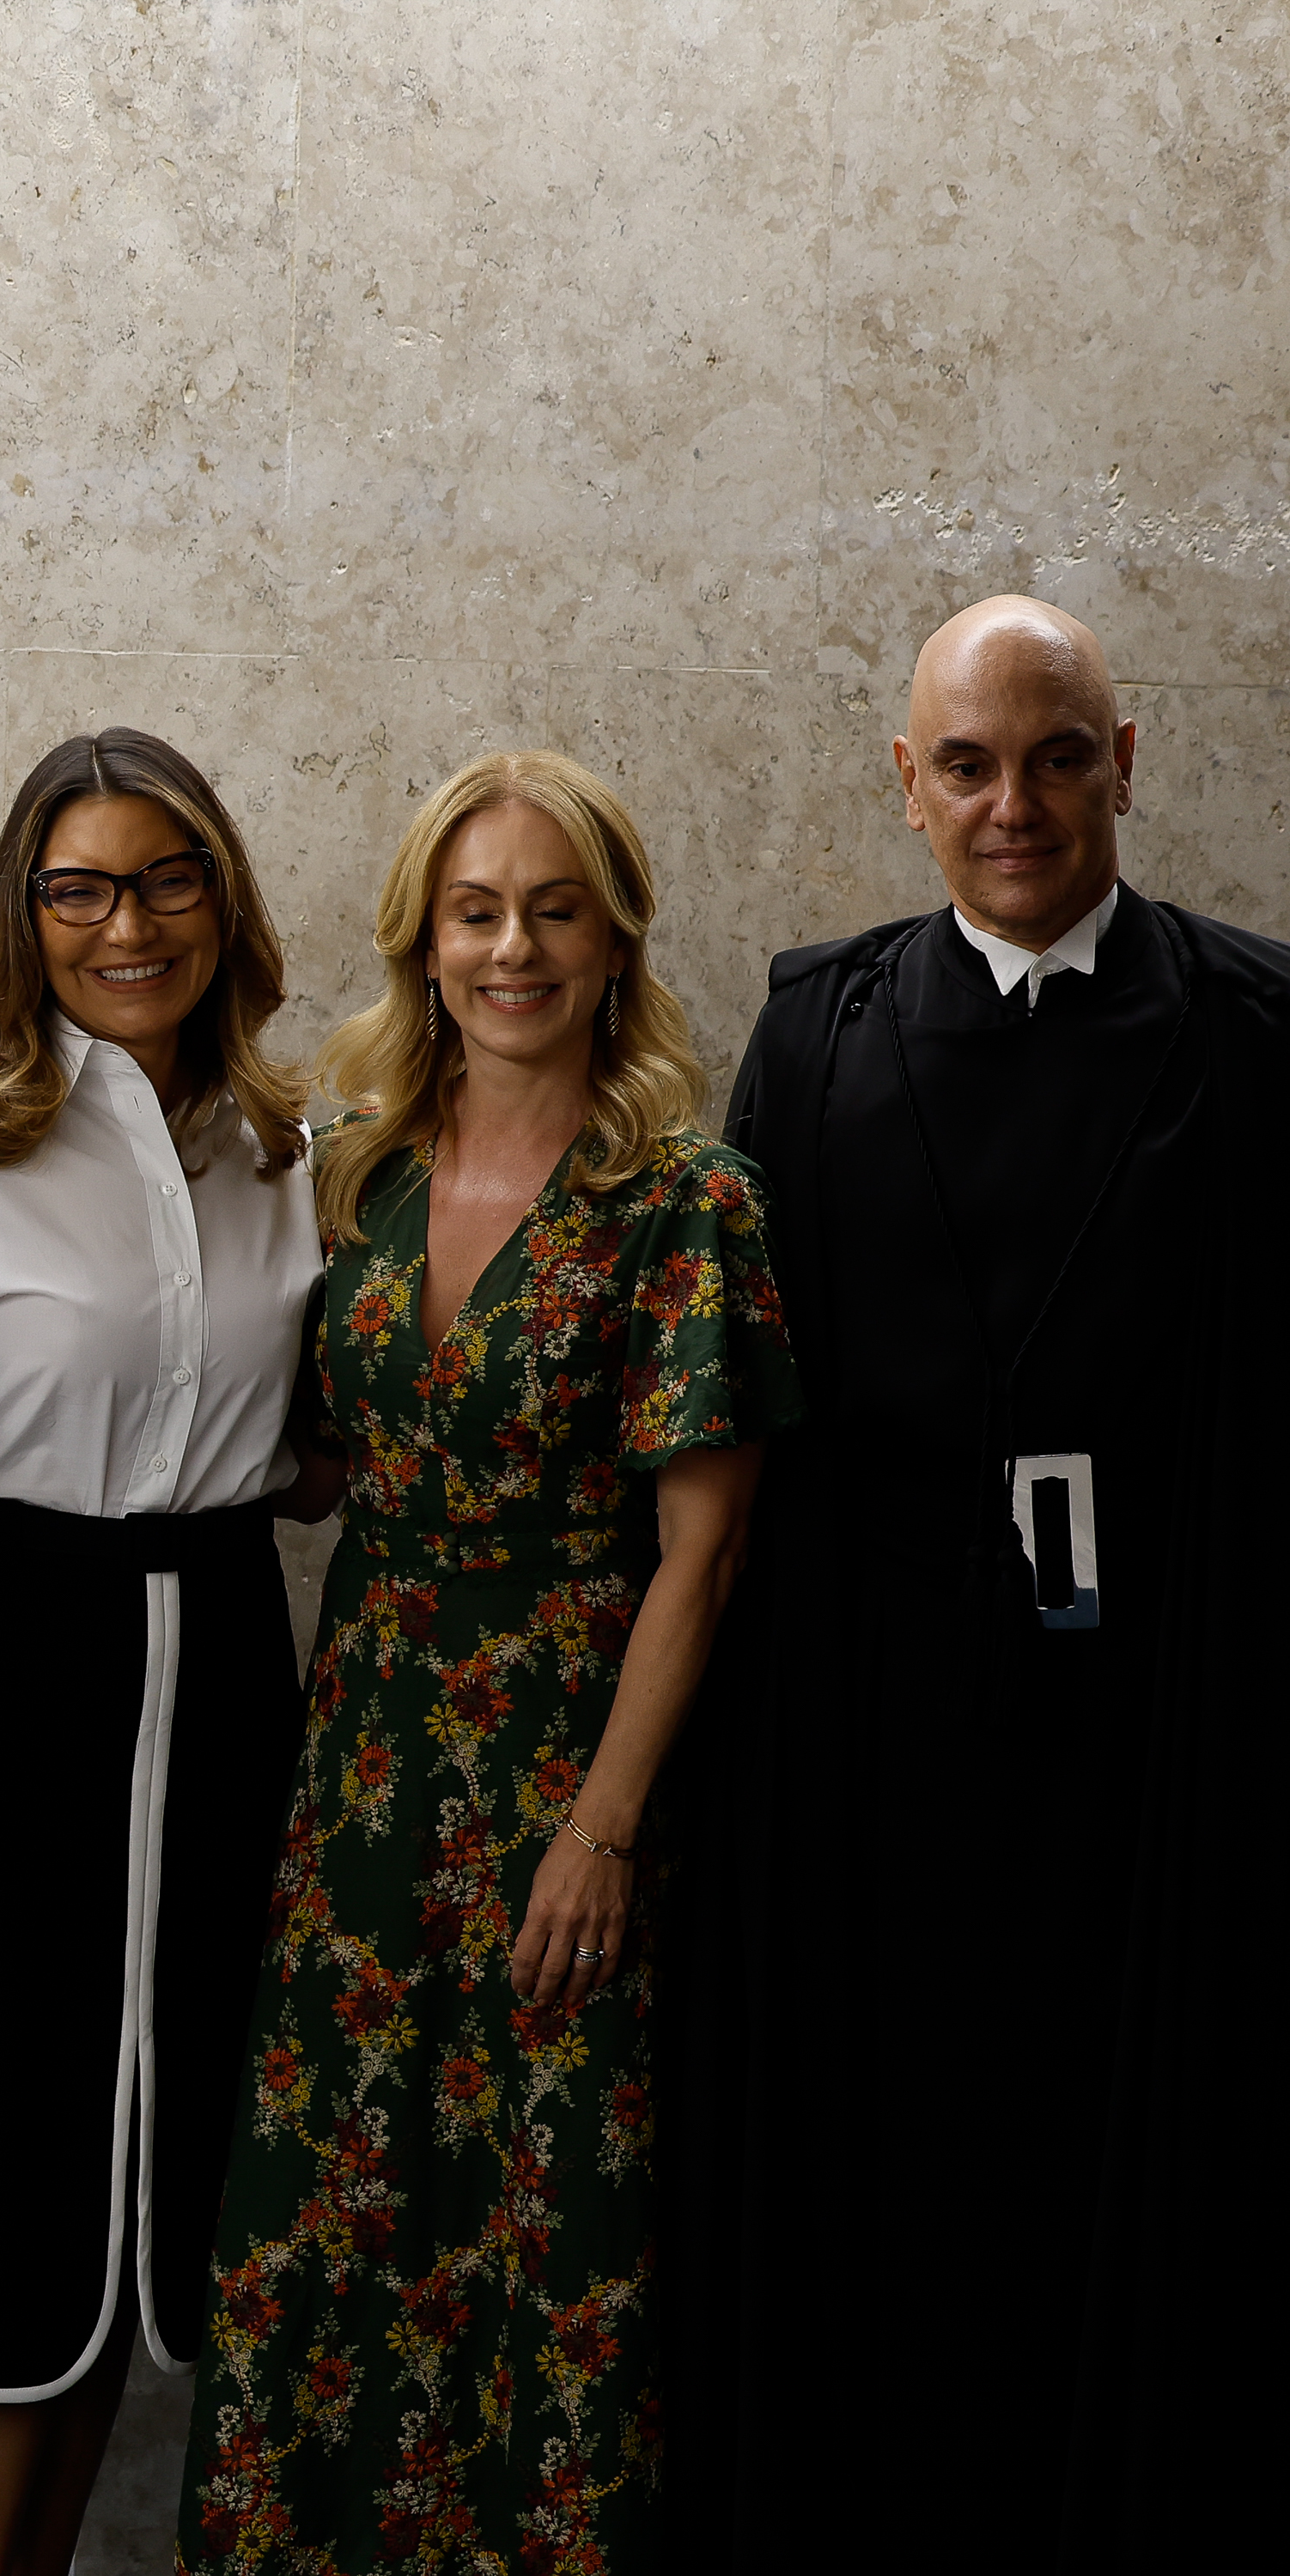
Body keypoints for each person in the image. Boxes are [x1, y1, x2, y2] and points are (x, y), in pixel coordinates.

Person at [666, 599, 1290, 2568]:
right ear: (907, 788)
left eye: (1056, 756)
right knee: (889, 2161)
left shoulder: (1265, 1026)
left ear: (1129, 760)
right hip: (872, 1718)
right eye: (968, 763)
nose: (1013, 803)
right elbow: (738, 1397)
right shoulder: (815, 1023)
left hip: (1168, 1711)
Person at [174, 750, 799, 2573]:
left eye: (554, 908)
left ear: (616, 941)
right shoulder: (354, 1167)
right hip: (361, 1769)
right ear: (422, 944)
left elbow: (714, 1545)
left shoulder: (688, 1198)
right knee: (329, 2209)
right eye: (476, 911)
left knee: (549, 2216)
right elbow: (310, 1459)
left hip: (565, 1770)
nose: (513, 944)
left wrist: (604, 1825)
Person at [0, 729, 333, 2576]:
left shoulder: (286, 1140)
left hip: (230, 1655)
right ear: (26, 913)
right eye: (82, 887)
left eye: (169, 879)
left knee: (145, 2162)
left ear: (224, 899)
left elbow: (315, 1424)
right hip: (2, 1655)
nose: (129, 922)